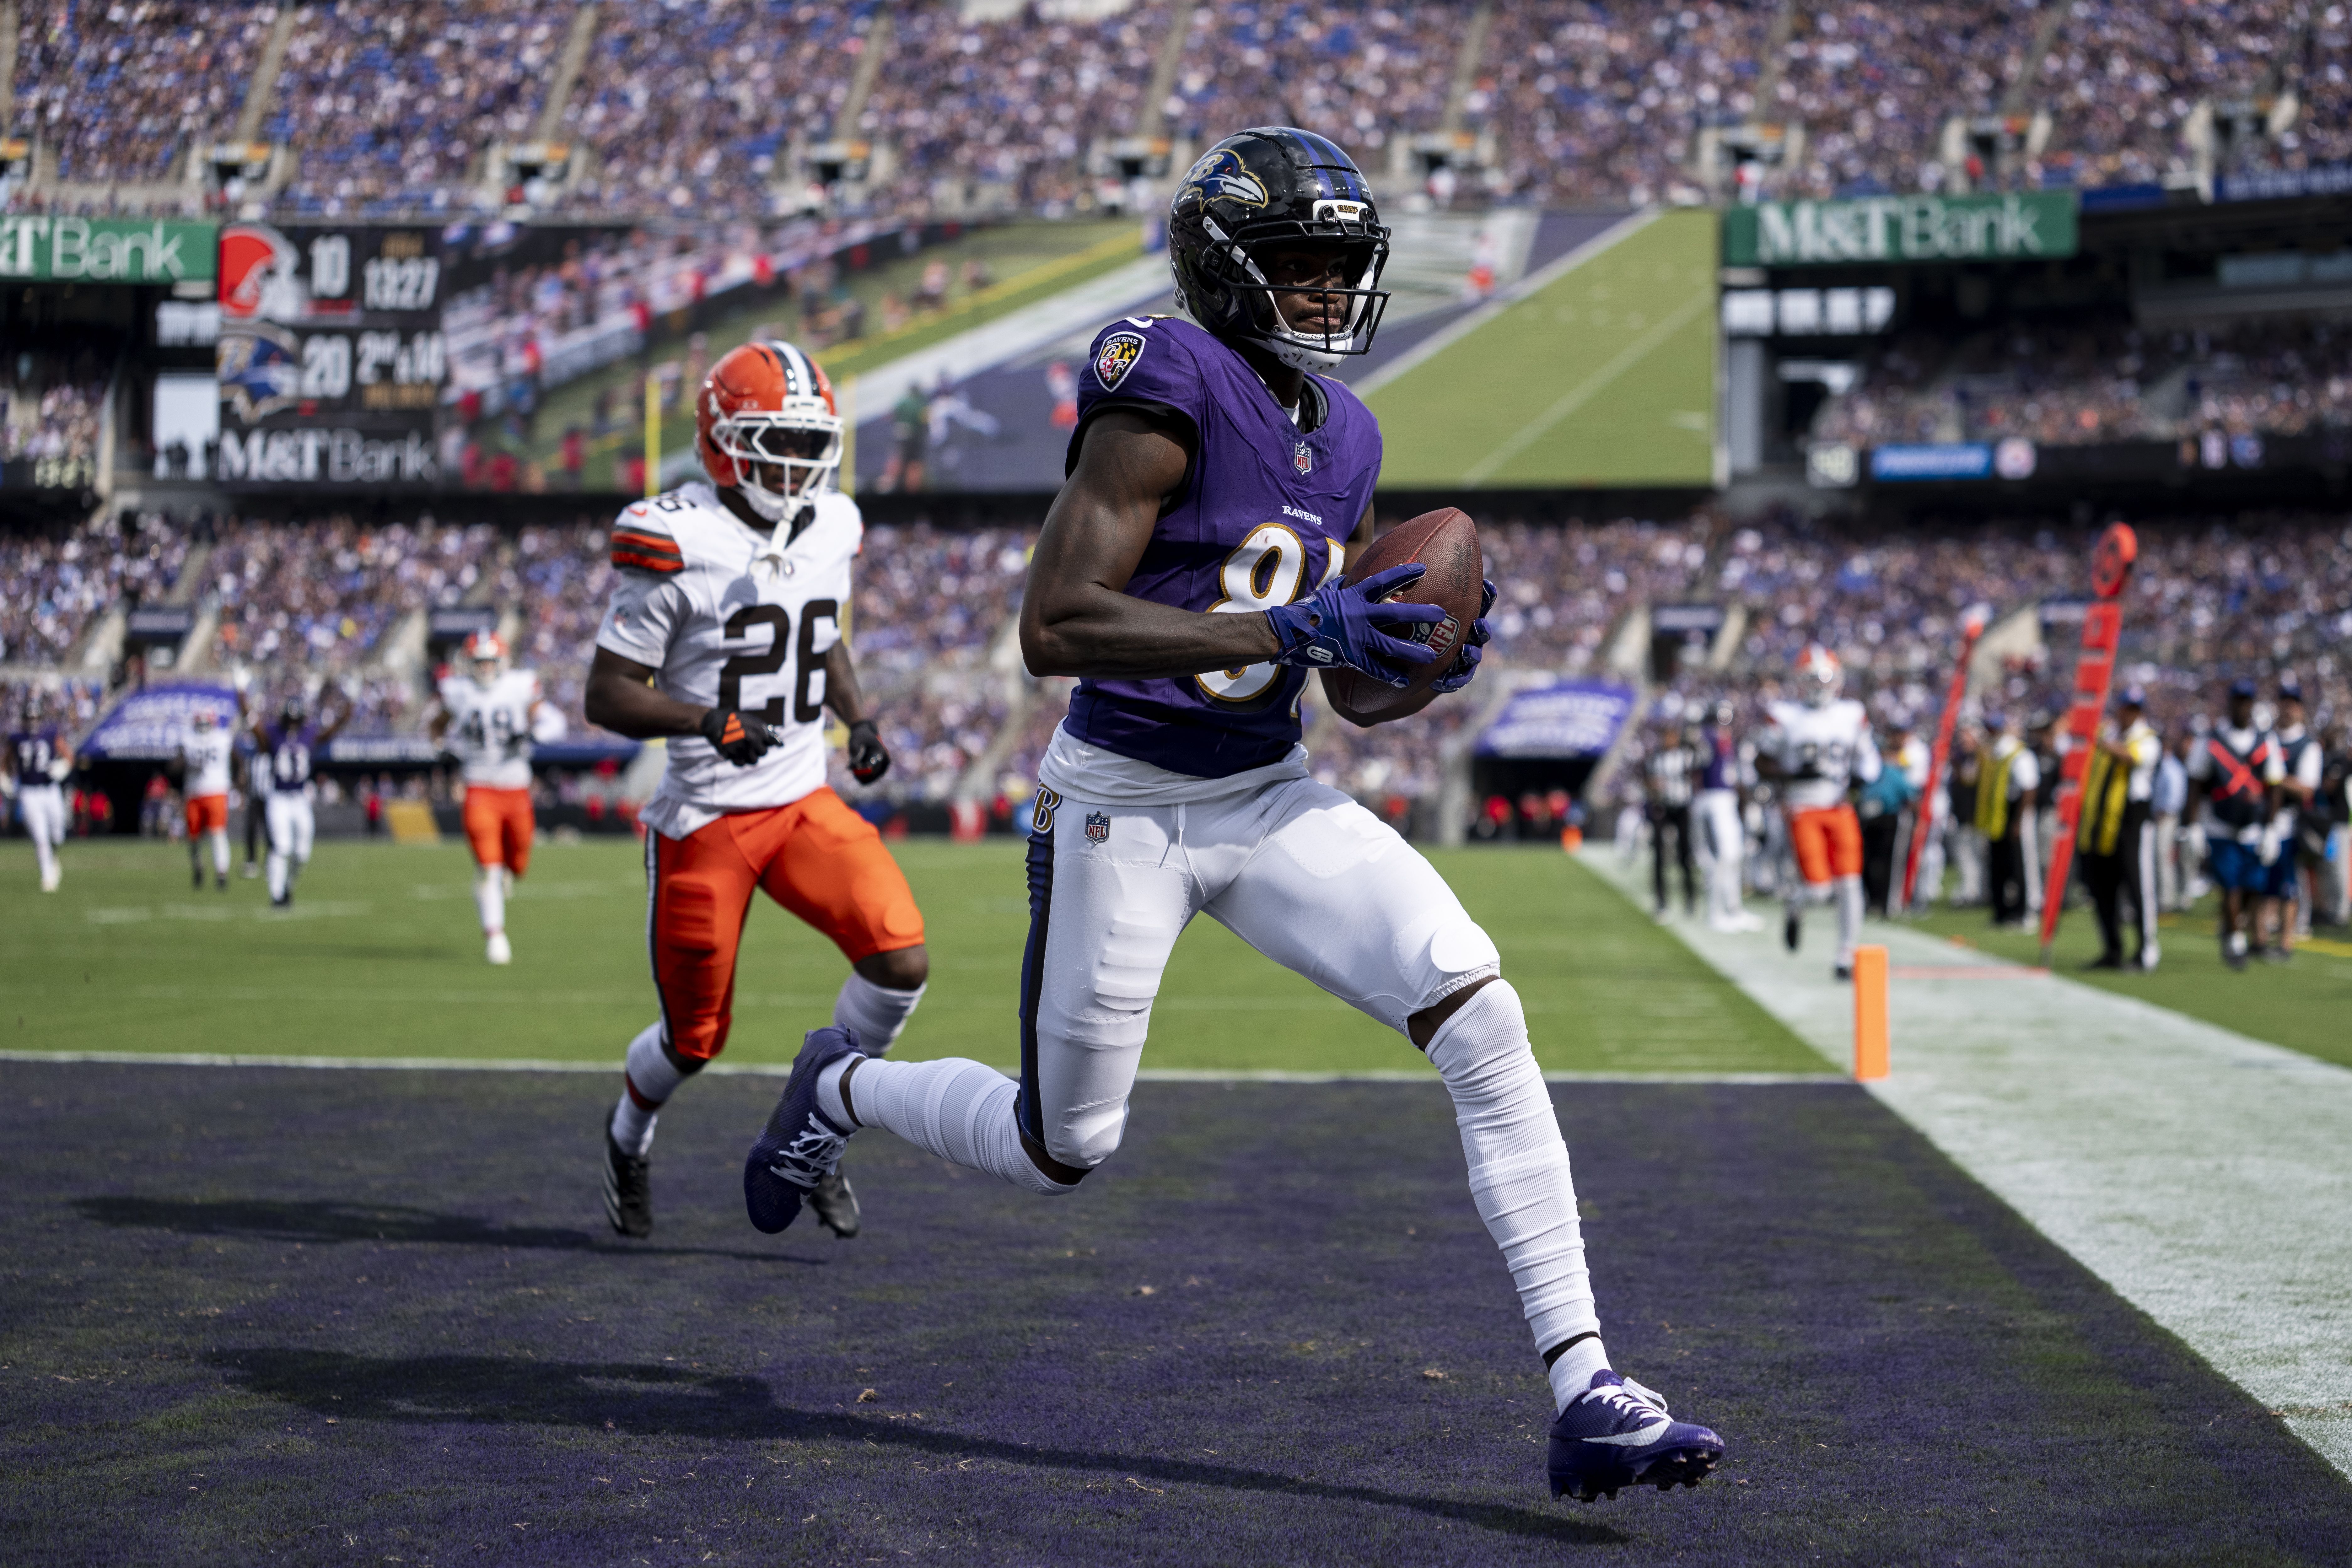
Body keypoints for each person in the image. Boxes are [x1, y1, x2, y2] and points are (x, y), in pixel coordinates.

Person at [739, 129, 1725, 1506]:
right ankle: (836, 1087)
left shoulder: (1353, 433)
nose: (1329, 291)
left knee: (1480, 1015)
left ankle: (1585, 1386)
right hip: (1123, 808)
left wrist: (1417, 662)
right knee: (1061, 1147)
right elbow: (1053, 626)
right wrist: (1292, 617)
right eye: (1302, 263)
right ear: (1226, 265)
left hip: (1263, 794)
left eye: (1343, 265)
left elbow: (1346, 692)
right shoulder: (1166, 374)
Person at [584, 337, 927, 1246]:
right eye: (775, 441)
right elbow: (607, 693)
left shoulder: (831, 525)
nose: (798, 463)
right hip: (706, 817)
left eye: (811, 445)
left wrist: (856, 719)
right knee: (694, 1039)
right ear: (721, 439)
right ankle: (628, 1138)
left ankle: (810, 1131)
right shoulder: (675, 535)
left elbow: (821, 637)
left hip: (802, 800)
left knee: (900, 959)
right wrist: (705, 720)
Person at [428, 630, 562, 966]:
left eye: (490, 661)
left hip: (516, 788)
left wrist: (536, 731)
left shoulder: (520, 686)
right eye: (479, 662)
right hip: (479, 787)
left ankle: (508, 876)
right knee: (488, 867)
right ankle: (495, 935)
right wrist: (442, 749)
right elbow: (435, 725)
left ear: (502, 662)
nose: (485, 668)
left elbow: (550, 719)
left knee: (518, 863)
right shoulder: (457, 692)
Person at [1756, 644, 1880, 979]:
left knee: (1850, 883)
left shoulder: (1852, 714)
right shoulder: (1784, 715)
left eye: (1824, 677)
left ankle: (1845, 956)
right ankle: (1797, 904)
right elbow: (1761, 761)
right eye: (1811, 679)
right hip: (1802, 807)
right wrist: (1792, 774)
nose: (1818, 685)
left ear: (1837, 679)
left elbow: (1868, 760)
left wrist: (1861, 779)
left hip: (1839, 807)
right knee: (1819, 891)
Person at [2186, 677, 2284, 971]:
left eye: (2247, 702)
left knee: (2252, 886)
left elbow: (2275, 786)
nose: (2243, 707)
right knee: (2230, 886)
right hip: (2220, 825)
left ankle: (2233, 928)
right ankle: (2236, 942)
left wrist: (2270, 828)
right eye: (2238, 701)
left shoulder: (2266, 741)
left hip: (2253, 827)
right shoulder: (2211, 740)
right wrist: (2191, 826)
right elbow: (2196, 783)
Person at [2075, 686, 2162, 971]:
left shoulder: (2147, 740)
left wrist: (2101, 741)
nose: (2127, 714)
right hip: (2102, 826)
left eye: (2133, 709)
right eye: (2126, 708)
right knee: (2103, 889)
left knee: (2138, 888)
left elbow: (2130, 757)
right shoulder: (2110, 734)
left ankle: (2146, 949)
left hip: (2131, 825)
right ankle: (2112, 949)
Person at [251, 692, 351, 908]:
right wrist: (242, 695)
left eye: (296, 719)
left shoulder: (309, 734)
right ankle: (276, 895)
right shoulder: (274, 734)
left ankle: (287, 886)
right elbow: (256, 730)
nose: (293, 724)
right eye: (290, 719)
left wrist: (347, 710)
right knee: (282, 847)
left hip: (300, 798)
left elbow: (331, 732)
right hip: (278, 796)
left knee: (302, 853)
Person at [2265, 681, 2324, 957]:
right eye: (2284, 701)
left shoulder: (2307, 745)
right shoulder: (2268, 738)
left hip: (2290, 821)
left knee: (2288, 881)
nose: (2288, 708)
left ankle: (2285, 941)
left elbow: (2307, 787)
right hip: (2264, 818)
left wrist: (2274, 778)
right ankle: (2261, 936)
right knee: (2263, 880)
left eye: (2293, 703)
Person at [1693, 698, 1757, 931]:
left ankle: (1733, 909)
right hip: (1713, 800)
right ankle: (1716, 913)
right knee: (1721, 858)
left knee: (1734, 856)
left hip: (1726, 800)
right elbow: (1699, 754)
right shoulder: (1708, 738)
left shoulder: (1726, 741)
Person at [1976, 711, 2038, 928]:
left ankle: (2023, 912)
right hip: (1998, 816)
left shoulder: (2018, 754)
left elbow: (2028, 789)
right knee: (1998, 866)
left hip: (2014, 813)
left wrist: (2019, 821)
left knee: (2020, 866)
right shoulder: (1993, 753)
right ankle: (2001, 912)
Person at [5, 698, 72, 891]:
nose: (33, 722)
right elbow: (6, 761)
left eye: (36, 718)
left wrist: (62, 767)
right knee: (40, 836)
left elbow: (69, 756)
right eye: (30, 718)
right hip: (29, 792)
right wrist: (6, 779)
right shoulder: (17, 738)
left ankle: (54, 855)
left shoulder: (50, 734)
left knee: (58, 833)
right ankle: (47, 877)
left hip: (50, 790)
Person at [1856, 720, 1918, 917]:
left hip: (1889, 818)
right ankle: (1871, 900)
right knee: (1866, 861)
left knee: (1888, 862)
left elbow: (1910, 794)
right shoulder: (1868, 771)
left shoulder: (1894, 770)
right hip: (1868, 818)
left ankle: (1886, 903)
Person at [176, 704, 237, 891]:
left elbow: (237, 759)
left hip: (216, 790)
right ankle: (199, 868)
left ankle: (221, 874)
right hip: (195, 792)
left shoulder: (222, 738)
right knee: (194, 837)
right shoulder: (189, 740)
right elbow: (175, 765)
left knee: (217, 833)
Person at [1642, 720, 1698, 919]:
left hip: (1682, 807)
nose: (1669, 740)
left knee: (1685, 855)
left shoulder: (1686, 757)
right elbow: (1646, 780)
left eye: (1673, 736)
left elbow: (1696, 777)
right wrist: (1653, 788)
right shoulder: (1656, 758)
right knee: (1659, 855)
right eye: (1667, 736)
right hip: (1662, 807)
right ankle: (1661, 901)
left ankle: (1690, 898)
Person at [2151, 725, 2189, 913]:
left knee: (2163, 857)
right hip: (2159, 817)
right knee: (2157, 857)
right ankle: (2160, 897)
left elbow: (2174, 797)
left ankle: (2165, 900)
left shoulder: (2171, 766)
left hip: (2166, 817)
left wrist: (2163, 811)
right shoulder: (2163, 765)